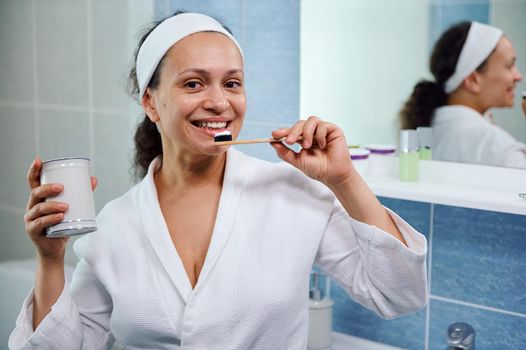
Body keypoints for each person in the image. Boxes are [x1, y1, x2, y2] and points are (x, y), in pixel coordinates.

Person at [10, 12, 427, 349]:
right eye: (193, 83)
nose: (219, 102)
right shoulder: (115, 226)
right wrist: (49, 259)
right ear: (151, 102)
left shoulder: (291, 195)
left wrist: (344, 179)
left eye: (232, 83)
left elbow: (399, 295)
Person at [399, 21, 526, 168]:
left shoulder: (427, 129)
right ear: (472, 80)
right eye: (509, 66)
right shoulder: (496, 147)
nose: (518, 76)